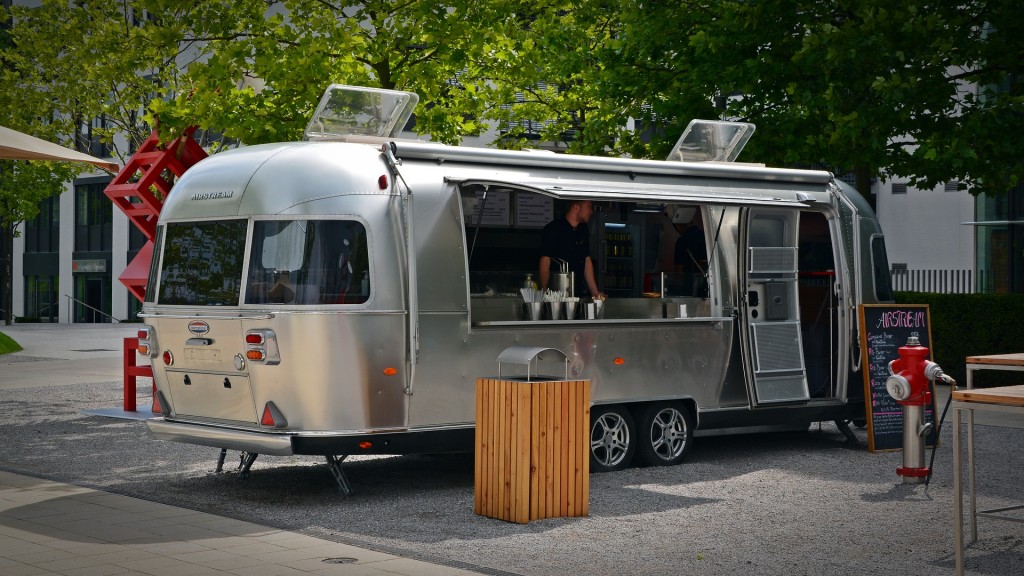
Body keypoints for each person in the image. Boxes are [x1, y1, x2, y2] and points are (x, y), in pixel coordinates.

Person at [539, 200, 606, 299]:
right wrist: (544, 291)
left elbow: (586, 260)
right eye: (588, 207)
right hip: (556, 294)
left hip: (578, 291)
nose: (591, 212)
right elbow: (545, 259)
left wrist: (595, 293)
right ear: (576, 208)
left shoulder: (583, 229)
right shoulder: (553, 229)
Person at [672, 206, 708, 297]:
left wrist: (676, 290)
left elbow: (679, 270)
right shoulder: (706, 237)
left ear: (679, 225)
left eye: (676, 228)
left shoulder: (682, 241)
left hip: (689, 289)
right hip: (708, 286)